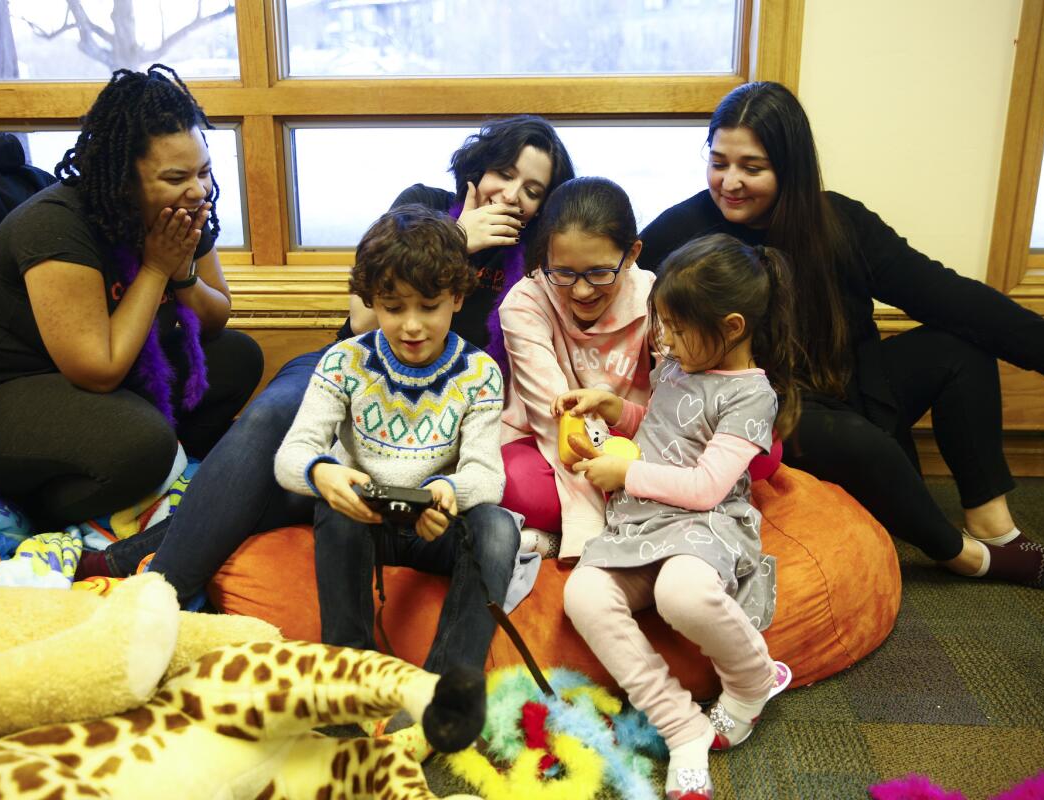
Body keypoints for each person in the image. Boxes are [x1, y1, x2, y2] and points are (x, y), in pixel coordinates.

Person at [94, 115, 573, 605]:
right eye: (505, 173)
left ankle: (130, 569)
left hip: (433, 414)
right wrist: (456, 240)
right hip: (349, 369)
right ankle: (158, 596)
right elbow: (364, 319)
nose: (513, 195)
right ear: (478, 167)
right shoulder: (423, 206)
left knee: (291, 488)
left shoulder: (538, 262)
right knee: (271, 419)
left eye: (532, 189)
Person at [638, 81, 1044, 589]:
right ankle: (962, 556)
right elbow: (612, 283)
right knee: (847, 437)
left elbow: (959, 300)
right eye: (718, 162)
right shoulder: (684, 230)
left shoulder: (840, 222)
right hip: (765, 414)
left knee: (962, 345)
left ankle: (994, 527)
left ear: (791, 168)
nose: (730, 181)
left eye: (752, 167)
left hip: (854, 387)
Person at [0, 64, 262, 529]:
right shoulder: (56, 226)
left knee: (238, 357)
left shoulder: (182, 210)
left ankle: (162, 478)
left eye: (204, 171)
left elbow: (216, 318)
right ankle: (43, 515)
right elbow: (98, 370)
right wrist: (156, 269)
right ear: (123, 179)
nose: (197, 189)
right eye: (175, 176)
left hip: (90, 381)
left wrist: (181, 274)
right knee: (143, 446)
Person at [274, 204, 519, 755]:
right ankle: (351, 675)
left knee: (498, 527)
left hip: (435, 524)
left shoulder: (478, 372)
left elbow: (486, 476)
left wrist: (449, 494)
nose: (411, 325)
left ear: (458, 297)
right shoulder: (344, 361)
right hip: (365, 521)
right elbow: (291, 456)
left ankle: (443, 692)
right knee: (330, 510)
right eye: (392, 307)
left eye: (429, 307)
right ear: (370, 303)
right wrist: (325, 474)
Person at [563, 234, 798, 800]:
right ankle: (681, 726)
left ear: (733, 327)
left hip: (706, 522)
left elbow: (707, 486)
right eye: (661, 322)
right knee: (583, 596)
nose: (663, 338)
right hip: (642, 524)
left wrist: (625, 477)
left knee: (682, 593)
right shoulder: (677, 363)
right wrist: (619, 410)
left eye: (675, 325)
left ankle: (752, 678)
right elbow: (667, 426)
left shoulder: (752, 397)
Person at [498, 176, 655, 559]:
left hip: (635, 436)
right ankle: (590, 523)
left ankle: (561, 528)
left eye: (599, 273)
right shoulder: (524, 304)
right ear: (545, 258)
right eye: (563, 273)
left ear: (632, 254)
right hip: (548, 442)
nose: (582, 291)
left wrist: (628, 467)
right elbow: (556, 416)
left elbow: (676, 413)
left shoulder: (656, 298)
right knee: (514, 484)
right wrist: (588, 529)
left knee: (762, 448)